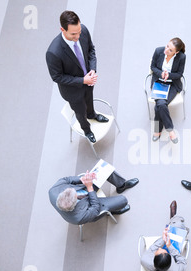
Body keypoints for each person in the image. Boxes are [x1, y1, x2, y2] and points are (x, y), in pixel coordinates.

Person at [46, 10, 108, 143]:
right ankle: (86, 129)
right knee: (80, 112)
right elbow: (57, 77)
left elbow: (91, 50)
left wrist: (92, 69)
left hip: (88, 81)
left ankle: (92, 114)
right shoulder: (53, 52)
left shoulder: (83, 30)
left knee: (89, 100)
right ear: (62, 29)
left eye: (79, 31)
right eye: (73, 34)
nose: (78, 36)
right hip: (72, 91)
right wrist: (82, 80)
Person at [49, 170, 139, 225]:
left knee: (106, 171)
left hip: (85, 187)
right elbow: (95, 208)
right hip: (92, 205)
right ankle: (112, 211)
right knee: (123, 200)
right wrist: (90, 187)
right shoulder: (78, 217)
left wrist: (82, 179)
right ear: (75, 201)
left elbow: (66, 180)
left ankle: (121, 185)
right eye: (75, 193)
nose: (73, 189)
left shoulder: (53, 191)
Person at [140, 201, 189, 271]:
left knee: (175, 228)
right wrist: (170, 246)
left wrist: (164, 239)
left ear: (153, 259)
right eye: (164, 251)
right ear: (170, 260)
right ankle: (175, 219)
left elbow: (153, 247)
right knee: (180, 226)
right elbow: (183, 261)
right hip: (174, 250)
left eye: (159, 251)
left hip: (164, 245)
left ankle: (173, 219)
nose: (160, 248)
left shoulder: (145, 260)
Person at [150, 38, 186, 144]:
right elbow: (153, 67)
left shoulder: (181, 57)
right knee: (161, 104)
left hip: (172, 84)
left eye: (170, 50)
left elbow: (179, 74)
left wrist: (169, 75)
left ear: (177, 52)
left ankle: (157, 130)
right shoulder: (158, 51)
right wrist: (161, 73)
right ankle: (171, 130)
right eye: (167, 46)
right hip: (158, 82)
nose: (166, 50)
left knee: (159, 106)